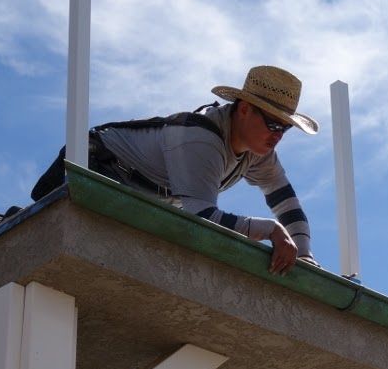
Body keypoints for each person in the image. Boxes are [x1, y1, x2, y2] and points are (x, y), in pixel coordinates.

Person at [32, 65, 319, 275]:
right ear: (244, 109)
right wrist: (270, 230)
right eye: (273, 123)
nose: (278, 135)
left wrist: (304, 255)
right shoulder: (201, 140)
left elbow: (287, 204)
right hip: (93, 169)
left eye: (285, 128)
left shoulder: (261, 153)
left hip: (132, 193)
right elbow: (202, 219)